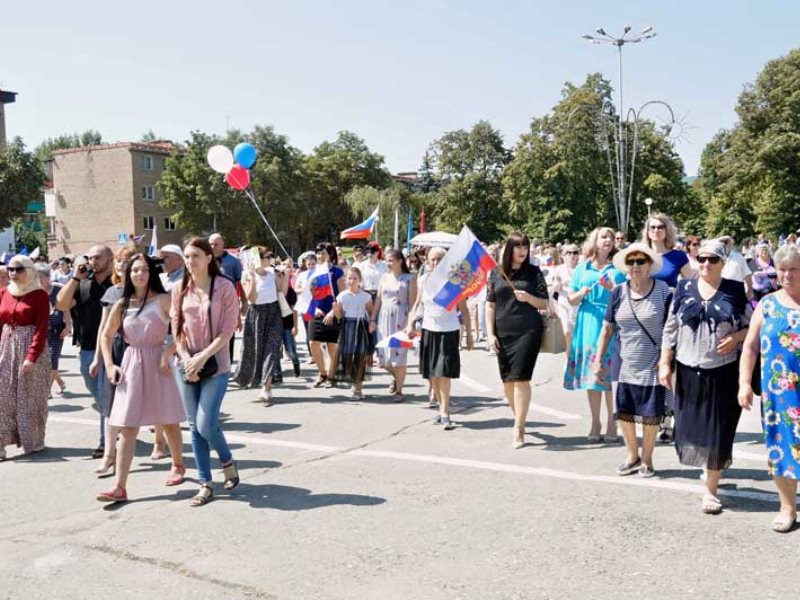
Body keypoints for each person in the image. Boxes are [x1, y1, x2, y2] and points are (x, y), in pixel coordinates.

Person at [659, 239, 751, 515]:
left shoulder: (734, 290)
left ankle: (711, 489)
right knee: (690, 428)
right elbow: (670, 327)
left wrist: (736, 337)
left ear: (723, 263)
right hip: (687, 369)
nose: (706, 264)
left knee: (717, 431)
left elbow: (752, 326)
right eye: (701, 259)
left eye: (713, 259)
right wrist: (665, 361)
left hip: (723, 371)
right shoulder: (685, 288)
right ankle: (708, 467)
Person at [95, 254, 186, 503]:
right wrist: (110, 364)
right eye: (134, 270)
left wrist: (168, 353)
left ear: (151, 273)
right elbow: (105, 336)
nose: (139, 274)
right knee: (127, 426)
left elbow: (182, 329)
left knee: (167, 420)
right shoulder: (122, 304)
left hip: (159, 363)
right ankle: (119, 486)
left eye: (144, 269)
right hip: (131, 364)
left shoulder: (164, 299)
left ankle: (178, 464)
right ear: (128, 274)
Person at [593, 243, 672, 477]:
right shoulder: (618, 291)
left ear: (649, 265)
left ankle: (647, 459)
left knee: (650, 414)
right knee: (624, 411)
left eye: (641, 261)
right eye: (631, 261)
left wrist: (667, 358)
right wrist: (598, 360)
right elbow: (607, 329)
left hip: (653, 361)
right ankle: (632, 455)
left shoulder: (663, 290)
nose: (635, 266)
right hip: (623, 360)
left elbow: (671, 328)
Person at [172, 237, 240, 507]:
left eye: (196, 256)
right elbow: (176, 328)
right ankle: (205, 483)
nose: (190, 262)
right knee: (193, 427)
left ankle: (226, 460)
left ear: (209, 258)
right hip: (187, 365)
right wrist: (187, 357)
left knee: (205, 423)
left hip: (216, 364)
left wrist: (202, 356)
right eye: (187, 257)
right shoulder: (180, 288)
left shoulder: (224, 287)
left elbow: (228, 329)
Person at [738, 244, 800, 532]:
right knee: (781, 448)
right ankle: (787, 507)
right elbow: (749, 347)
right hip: (778, 394)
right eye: (783, 270)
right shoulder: (767, 305)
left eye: (794, 269)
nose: (787, 275)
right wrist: (744, 383)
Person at [486, 233, 549, 448]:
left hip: (528, 331)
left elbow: (544, 303)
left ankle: (518, 428)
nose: (522, 251)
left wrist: (529, 298)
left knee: (521, 378)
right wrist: (490, 333)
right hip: (503, 332)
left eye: (525, 247)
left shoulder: (534, 272)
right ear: (509, 249)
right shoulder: (496, 273)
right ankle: (518, 417)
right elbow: (490, 305)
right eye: (518, 247)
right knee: (507, 381)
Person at [563, 227, 627, 442]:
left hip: (611, 320)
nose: (608, 240)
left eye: (610, 237)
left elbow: (627, 295)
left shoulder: (619, 267)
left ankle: (612, 421)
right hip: (588, 320)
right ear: (595, 241)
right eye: (603, 237)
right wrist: (582, 293)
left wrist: (613, 288)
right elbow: (570, 299)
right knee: (592, 375)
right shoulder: (583, 268)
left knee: (609, 374)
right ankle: (595, 421)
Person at [56, 245, 114, 458]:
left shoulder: (117, 283)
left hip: (114, 348)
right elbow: (61, 304)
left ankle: (105, 443)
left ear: (110, 258)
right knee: (97, 394)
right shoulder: (83, 282)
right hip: (87, 348)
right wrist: (74, 278)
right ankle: (114, 423)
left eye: (98, 257)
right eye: (90, 258)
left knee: (104, 393)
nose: (92, 261)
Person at [407, 247, 473, 430]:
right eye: (432, 259)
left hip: (449, 331)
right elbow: (418, 304)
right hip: (429, 329)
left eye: (439, 259)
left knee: (443, 372)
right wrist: (410, 323)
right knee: (431, 373)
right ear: (427, 261)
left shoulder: (454, 281)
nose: (436, 262)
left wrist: (469, 335)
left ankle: (445, 411)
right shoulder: (423, 280)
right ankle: (440, 406)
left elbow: (464, 311)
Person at [92, 246, 138, 474]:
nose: (121, 265)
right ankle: (109, 454)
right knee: (110, 406)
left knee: (146, 403)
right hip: (115, 350)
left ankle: (162, 443)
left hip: (139, 350)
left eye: (126, 261)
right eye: (119, 261)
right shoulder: (111, 292)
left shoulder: (144, 291)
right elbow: (104, 328)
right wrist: (98, 359)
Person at [0, 256, 51, 460]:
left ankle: (34, 439)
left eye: (19, 269)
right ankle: (1, 442)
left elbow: (41, 328)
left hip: (30, 347)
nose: (13, 273)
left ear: (29, 271)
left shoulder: (39, 295)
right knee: (3, 395)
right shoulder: (4, 291)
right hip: (6, 346)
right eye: (11, 269)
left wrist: (31, 357)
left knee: (31, 397)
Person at [235, 247, 284, 404]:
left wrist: (285, 274)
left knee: (272, 349)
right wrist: (252, 278)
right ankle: (252, 380)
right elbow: (252, 298)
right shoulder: (247, 275)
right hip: (256, 314)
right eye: (267, 256)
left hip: (274, 312)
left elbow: (281, 292)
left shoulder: (272, 273)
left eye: (271, 256)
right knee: (256, 350)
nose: (270, 259)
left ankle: (266, 387)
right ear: (257, 258)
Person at [371, 249, 416, 402]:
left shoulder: (409, 278)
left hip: (400, 318)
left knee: (399, 356)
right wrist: (372, 319)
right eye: (386, 260)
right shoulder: (384, 277)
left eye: (390, 260)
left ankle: (399, 390)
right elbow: (378, 300)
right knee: (384, 359)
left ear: (400, 261)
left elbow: (412, 304)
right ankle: (396, 377)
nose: (387, 263)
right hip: (384, 319)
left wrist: (410, 323)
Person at [308, 243, 346, 388]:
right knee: (313, 343)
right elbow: (308, 294)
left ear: (330, 254)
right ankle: (322, 373)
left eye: (323, 253)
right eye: (317, 253)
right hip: (316, 312)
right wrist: (315, 308)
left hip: (333, 312)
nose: (319, 256)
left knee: (332, 346)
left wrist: (333, 311)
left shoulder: (337, 272)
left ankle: (331, 376)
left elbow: (342, 294)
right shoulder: (313, 272)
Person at [334, 268, 374, 399]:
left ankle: (358, 388)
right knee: (346, 357)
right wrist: (335, 310)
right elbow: (339, 316)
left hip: (360, 327)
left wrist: (371, 325)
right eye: (349, 278)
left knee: (360, 357)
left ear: (360, 280)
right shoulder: (342, 296)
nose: (351, 281)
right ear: (346, 280)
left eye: (355, 278)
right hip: (347, 327)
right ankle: (353, 379)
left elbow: (370, 312)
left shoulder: (366, 296)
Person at [209, 233, 246, 363]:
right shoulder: (205, 259)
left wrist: (244, 303)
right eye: (211, 244)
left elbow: (241, 282)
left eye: (216, 244)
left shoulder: (233, 261)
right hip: (209, 305)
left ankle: (227, 364)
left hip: (228, 304)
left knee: (228, 334)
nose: (213, 247)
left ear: (223, 245)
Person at [37, 264, 71, 396]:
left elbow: (66, 309)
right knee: (45, 361)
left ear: (47, 277)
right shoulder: (34, 291)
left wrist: (68, 326)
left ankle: (47, 391)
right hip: (41, 331)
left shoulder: (58, 289)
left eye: (40, 277)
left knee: (52, 358)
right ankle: (61, 382)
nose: (37, 280)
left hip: (57, 331)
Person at [641, 213, 693, 289]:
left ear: (667, 230)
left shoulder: (679, 256)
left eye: (660, 227)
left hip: (669, 299)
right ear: (648, 231)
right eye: (653, 227)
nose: (656, 230)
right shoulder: (641, 255)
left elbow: (690, 284)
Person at [551, 244, 580, 354]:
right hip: (563, 304)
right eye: (569, 253)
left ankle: (575, 358)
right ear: (564, 255)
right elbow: (554, 290)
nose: (572, 255)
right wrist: (559, 284)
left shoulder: (581, 269)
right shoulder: (559, 269)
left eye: (575, 252)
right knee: (566, 331)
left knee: (577, 335)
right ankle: (568, 358)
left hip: (579, 305)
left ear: (578, 255)